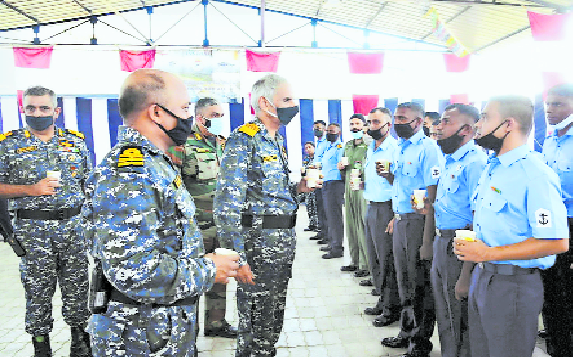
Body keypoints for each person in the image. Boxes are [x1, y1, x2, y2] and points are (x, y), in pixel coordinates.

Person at [83, 69, 239, 357]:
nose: (188, 119)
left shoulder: (156, 164)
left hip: (158, 330)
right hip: (138, 337)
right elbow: (133, 271)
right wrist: (209, 269)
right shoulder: (131, 172)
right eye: (183, 109)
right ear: (157, 113)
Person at [455, 95, 569, 357]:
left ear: (508, 125)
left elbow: (556, 242)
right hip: (484, 277)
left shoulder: (534, 174)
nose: (478, 124)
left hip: (514, 285)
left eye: (484, 118)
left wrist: (488, 254)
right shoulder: (493, 167)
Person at [215, 74, 313, 357]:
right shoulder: (244, 140)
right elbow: (227, 203)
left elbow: (272, 196)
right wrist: (237, 257)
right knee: (255, 321)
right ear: (264, 102)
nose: (294, 106)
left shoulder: (275, 140)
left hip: (281, 244)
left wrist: (300, 189)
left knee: (272, 317)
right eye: (287, 100)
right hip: (257, 246)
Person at [0, 86, 92, 357]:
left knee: (77, 286)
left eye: (43, 108)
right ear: (23, 110)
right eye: (31, 108)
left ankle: (79, 340)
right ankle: (41, 345)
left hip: (73, 228)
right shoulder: (9, 144)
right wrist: (31, 189)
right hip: (32, 230)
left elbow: (87, 183)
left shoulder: (75, 141)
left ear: (56, 111)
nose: (37, 113)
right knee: (38, 290)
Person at [167, 97, 238, 339]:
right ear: (199, 118)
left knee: (220, 275)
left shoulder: (224, 144)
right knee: (194, 279)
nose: (219, 120)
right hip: (195, 227)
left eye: (221, 116)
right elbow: (172, 188)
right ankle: (188, 334)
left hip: (222, 225)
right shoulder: (182, 146)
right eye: (214, 115)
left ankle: (216, 324)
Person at [381, 102, 440, 357]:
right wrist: (396, 215)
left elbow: (432, 194)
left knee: (419, 284)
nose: (396, 122)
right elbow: (403, 186)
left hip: (419, 223)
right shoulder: (400, 148)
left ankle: (421, 342)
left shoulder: (428, 149)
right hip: (402, 218)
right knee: (404, 280)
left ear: (417, 122)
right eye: (395, 118)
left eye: (402, 118)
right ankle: (406, 333)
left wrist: (427, 238)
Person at [430, 104, 486, 357]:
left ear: (465, 129)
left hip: (460, 245)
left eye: (445, 122)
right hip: (441, 241)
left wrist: (466, 272)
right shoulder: (450, 160)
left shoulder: (476, 163)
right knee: (444, 312)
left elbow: (478, 219)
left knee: (460, 315)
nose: (438, 127)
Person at [541, 84, 573, 357]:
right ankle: (557, 344)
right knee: (551, 286)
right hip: (550, 222)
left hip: (572, 221)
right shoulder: (550, 140)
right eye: (548, 104)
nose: (550, 110)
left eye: (558, 104)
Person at [361, 107, 401, 327]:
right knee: (374, 257)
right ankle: (382, 299)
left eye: (376, 122)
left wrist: (395, 214)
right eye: (369, 122)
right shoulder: (371, 148)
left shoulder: (394, 149)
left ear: (388, 125)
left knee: (387, 260)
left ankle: (391, 308)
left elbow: (400, 184)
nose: (371, 126)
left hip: (387, 208)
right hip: (371, 205)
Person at [338, 113, 370, 276]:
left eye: (357, 123)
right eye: (351, 124)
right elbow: (345, 163)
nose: (354, 127)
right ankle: (354, 261)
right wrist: (341, 167)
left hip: (363, 187)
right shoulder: (348, 145)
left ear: (364, 125)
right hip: (350, 186)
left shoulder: (369, 143)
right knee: (350, 224)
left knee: (362, 224)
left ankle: (366, 265)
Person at [320, 123, 345, 259]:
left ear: (338, 133)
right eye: (328, 131)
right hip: (326, 182)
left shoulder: (340, 148)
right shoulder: (328, 147)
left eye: (332, 131)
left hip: (335, 183)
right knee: (329, 214)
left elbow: (341, 166)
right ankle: (332, 242)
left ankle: (337, 247)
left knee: (334, 216)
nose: (329, 133)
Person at [313, 120, 329, 243]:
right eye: (314, 128)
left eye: (318, 128)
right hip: (316, 177)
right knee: (319, 206)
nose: (315, 130)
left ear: (324, 129)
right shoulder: (318, 143)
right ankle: (321, 231)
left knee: (325, 208)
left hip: (324, 177)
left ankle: (328, 235)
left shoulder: (327, 142)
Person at [303, 141, 320, 234]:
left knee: (316, 205)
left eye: (309, 147)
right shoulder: (306, 159)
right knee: (309, 205)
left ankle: (318, 225)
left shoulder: (317, 158)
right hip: (308, 185)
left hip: (316, 185)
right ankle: (312, 224)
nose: (308, 149)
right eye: (306, 148)